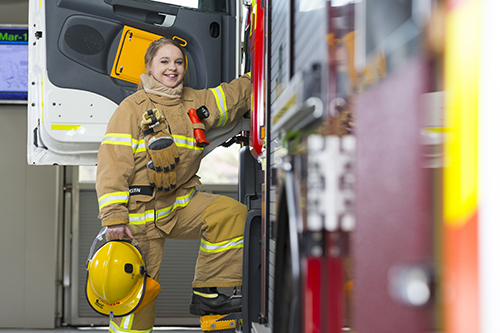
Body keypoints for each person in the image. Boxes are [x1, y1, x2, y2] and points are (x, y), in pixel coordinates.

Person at [96, 38, 251, 332]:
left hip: (178, 206)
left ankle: (208, 295)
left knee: (229, 214)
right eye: (164, 62)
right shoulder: (131, 109)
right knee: (137, 296)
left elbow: (232, 97)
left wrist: (263, 74)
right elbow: (112, 166)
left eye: (178, 62)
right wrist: (114, 217)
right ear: (149, 68)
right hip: (138, 218)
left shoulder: (194, 102)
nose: (173, 68)